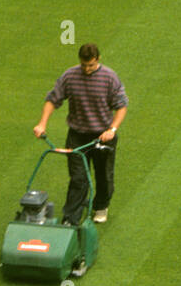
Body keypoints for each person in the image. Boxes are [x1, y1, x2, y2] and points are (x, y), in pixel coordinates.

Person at [33, 43, 127, 225]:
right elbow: (53, 99)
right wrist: (42, 123)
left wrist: (112, 129)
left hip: (103, 135)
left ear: (97, 60)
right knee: (78, 178)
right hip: (77, 135)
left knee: (104, 176)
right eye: (83, 65)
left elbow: (121, 106)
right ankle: (71, 217)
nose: (86, 69)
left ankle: (100, 206)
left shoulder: (109, 78)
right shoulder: (70, 76)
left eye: (90, 65)